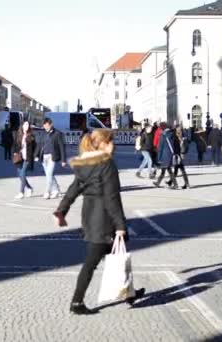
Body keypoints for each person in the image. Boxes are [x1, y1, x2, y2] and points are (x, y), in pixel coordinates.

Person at [53, 129, 145, 315]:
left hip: (91, 217)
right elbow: (111, 197)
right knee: (91, 263)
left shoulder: (85, 163)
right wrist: (120, 225)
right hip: (104, 220)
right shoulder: (106, 164)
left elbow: (73, 189)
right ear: (102, 144)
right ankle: (77, 303)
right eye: (111, 142)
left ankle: (129, 293)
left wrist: (61, 210)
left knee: (119, 255)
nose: (114, 145)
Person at [35, 117, 67, 199]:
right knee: (50, 175)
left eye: (47, 125)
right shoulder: (42, 134)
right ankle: (56, 190)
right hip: (43, 157)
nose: (45, 126)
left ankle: (47, 192)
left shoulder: (57, 133)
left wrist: (63, 160)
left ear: (51, 124)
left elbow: (62, 147)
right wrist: (36, 155)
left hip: (52, 157)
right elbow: (39, 145)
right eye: (44, 125)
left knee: (49, 174)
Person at [12, 121, 36, 200]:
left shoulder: (31, 136)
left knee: (22, 174)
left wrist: (35, 156)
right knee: (19, 175)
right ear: (22, 126)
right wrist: (15, 152)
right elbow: (15, 145)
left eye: (28, 125)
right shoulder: (18, 134)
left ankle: (21, 192)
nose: (26, 126)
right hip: (19, 157)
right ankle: (29, 188)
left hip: (27, 158)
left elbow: (35, 147)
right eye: (25, 124)